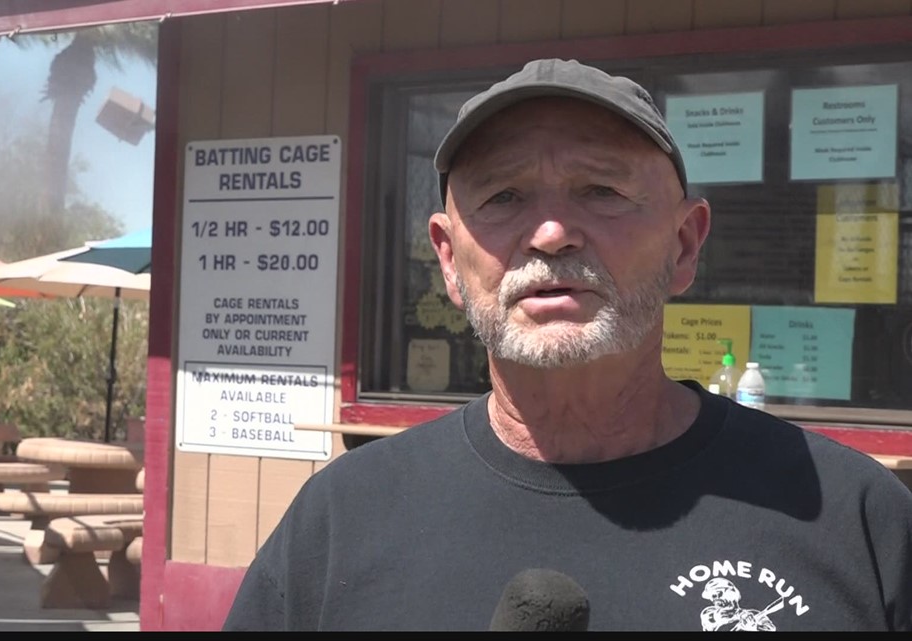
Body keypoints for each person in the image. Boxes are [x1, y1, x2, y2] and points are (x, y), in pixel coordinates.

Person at [221, 58, 912, 631]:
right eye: (503, 196)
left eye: (601, 189)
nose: (551, 233)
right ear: (449, 260)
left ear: (683, 245)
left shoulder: (855, 518)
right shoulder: (339, 522)